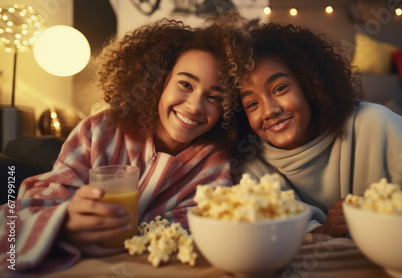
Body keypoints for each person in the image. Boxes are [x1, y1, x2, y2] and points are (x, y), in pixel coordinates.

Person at [0, 15, 247, 273]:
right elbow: (35, 202)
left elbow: (190, 235)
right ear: (159, 82)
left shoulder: (216, 166)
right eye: (185, 84)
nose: (195, 106)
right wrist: (65, 220)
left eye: (214, 97)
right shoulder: (99, 131)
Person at [231, 22, 402, 258]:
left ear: (309, 84)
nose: (269, 110)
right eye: (252, 104)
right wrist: (327, 229)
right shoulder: (253, 167)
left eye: (280, 88)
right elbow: (285, 233)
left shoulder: (372, 123)